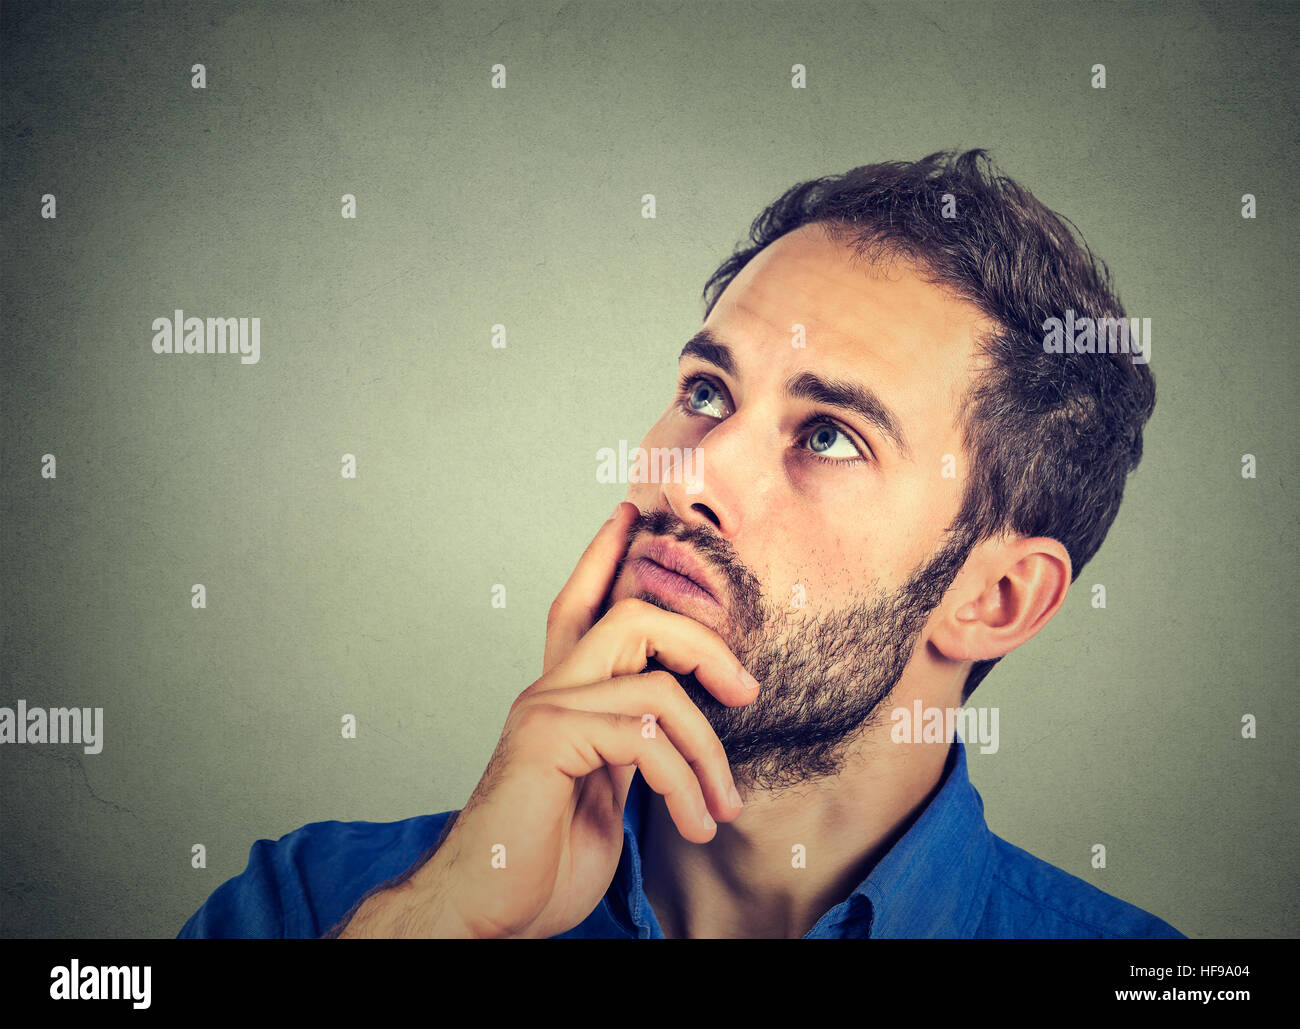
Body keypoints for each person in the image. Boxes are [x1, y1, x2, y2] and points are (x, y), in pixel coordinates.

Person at [179, 150, 1183, 939]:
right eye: (705, 393)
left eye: (829, 434)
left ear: (994, 598)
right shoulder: (317, 905)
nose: (684, 474)